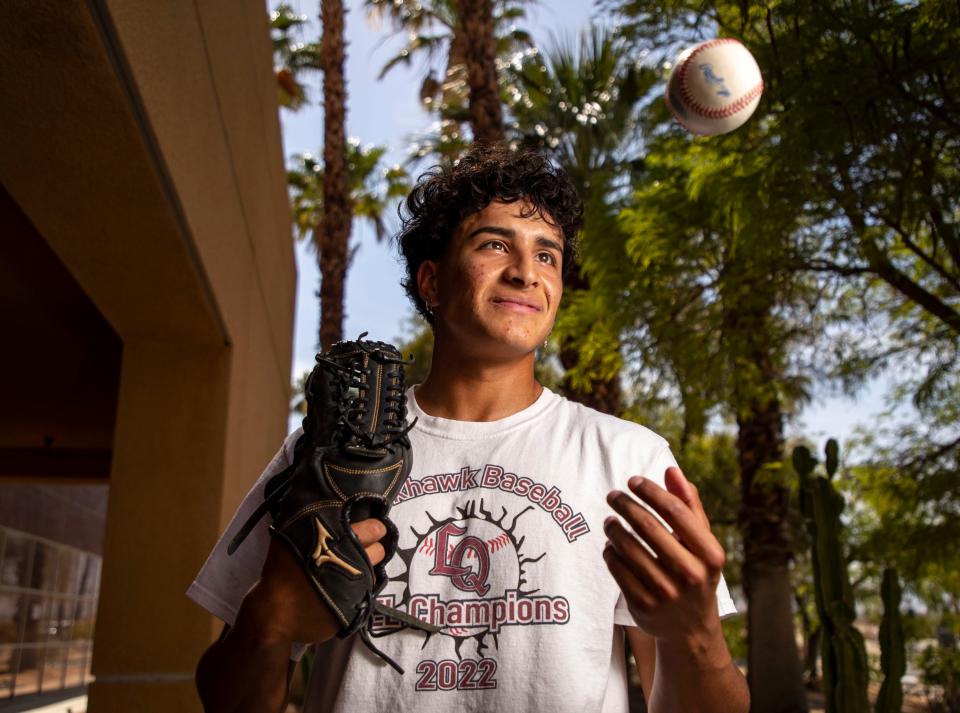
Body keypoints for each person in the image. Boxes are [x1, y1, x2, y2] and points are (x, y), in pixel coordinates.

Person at [191, 146, 750, 713]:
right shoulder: (327, 455)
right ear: (431, 282)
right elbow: (225, 701)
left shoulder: (628, 459)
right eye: (495, 244)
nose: (526, 272)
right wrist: (265, 623)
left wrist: (696, 636)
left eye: (547, 255)